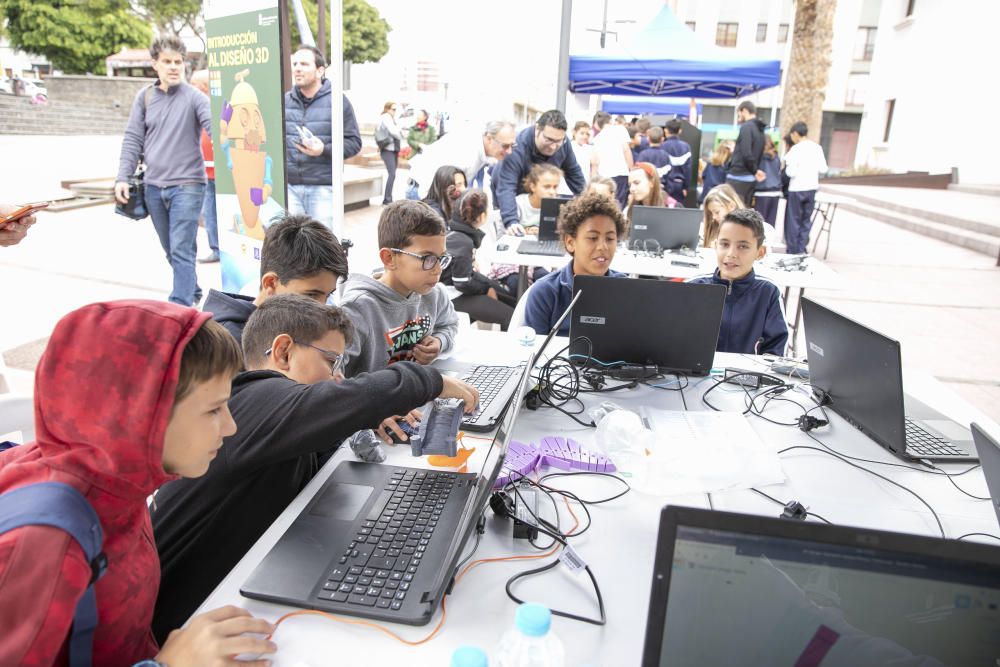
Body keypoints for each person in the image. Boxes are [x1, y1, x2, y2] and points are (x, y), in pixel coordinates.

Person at [150, 294, 478, 641]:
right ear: (283, 352)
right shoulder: (255, 398)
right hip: (173, 631)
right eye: (331, 362)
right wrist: (433, 381)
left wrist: (362, 417)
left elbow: (327, 423)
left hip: (219, 601)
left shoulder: (276, 419)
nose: (338, 379)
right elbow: (345, 398)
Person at [0, 300, 276, 665]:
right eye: (213, 410)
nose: (230, 427)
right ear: (140, 415)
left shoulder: (116, 481)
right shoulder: (45, 546)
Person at [115, 36, 212, 307]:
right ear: (154, 64)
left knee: (181, 248)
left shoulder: (195, 97)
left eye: (178, 62)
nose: (173, 67)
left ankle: (179, 307)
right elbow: (133, 138)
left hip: (189, 185)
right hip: (154, 187)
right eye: (167, 61)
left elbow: (214, 126)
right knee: (171, 249)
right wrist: (122, 177)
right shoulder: (144, 97)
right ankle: (191, 291)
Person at [340, 201, 459, 376]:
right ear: (389, 258)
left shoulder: (434, 293)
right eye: (427, 258)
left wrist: (439, 342)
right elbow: (333, 375)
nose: (438, 269)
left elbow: (449, 324)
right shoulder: (358, 309)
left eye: (441, 258)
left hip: (421, 394)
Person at [203, 213, 349, 344]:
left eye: (328, 295)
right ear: (271, 284)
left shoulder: (290, 325)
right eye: (310, 296)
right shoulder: (228, 348)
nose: (321, 309)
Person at [523, 192, 627, 336]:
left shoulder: (626, 290)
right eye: (592, 238)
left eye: (610, 239)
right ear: (570, 243)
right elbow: (533, 354)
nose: (603, 247)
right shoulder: (545, 292)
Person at [688, 208, 788, 356]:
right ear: (715, 246)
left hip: (747, 376)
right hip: (696, 375)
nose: (731, 254)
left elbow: (775, 351)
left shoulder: (768, 292)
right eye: (724, 244)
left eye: (743, 246)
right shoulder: (694, 286)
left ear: (760, 253)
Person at [284, 45, 363, 231]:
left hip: (323, 188)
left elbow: (354, 142)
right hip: (290, 187)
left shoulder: (338, 101)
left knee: (323, 247)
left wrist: (324, 149)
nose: (297, 68)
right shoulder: (285, 100)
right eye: (295, 63)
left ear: (320, 70)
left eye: (304, 64)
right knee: (292, 249)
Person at [494, 110, 586, 235]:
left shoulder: (564, 144)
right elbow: (506, 187)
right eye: (549, 140)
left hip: (541, 203)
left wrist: (589, 205)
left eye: (558, 141)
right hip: (512, 200)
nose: (553, 146)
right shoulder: (517, 147)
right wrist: (511, 221)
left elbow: (575, 175)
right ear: (537, 129)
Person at [442, 189, 516, 330]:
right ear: (482, 216)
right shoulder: (463, 242)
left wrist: (488, 287)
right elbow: (462, 283)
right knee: (511, 317)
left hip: (455, 286)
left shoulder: (454, 231)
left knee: (509, 299)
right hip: (450, 295)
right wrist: (485, 289)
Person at [406, 120, 516, 200]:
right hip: (425, 193)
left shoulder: (480, 147)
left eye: (512, 145)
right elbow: (432, 183)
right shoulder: (466, 152)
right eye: (505, 146)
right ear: (489, 138)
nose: (509, 151)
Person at [784, 121, 829, 254]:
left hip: (796, 188)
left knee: (793, 220)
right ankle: (801, 248)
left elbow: (790, 172)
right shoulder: (817, 148)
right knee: (805, 220)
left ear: (795, 134)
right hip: (811, 188)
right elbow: (823, 168)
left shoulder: (796, 149)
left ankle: (792, 250)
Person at [190, 69, 220, 263]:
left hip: (221, 171)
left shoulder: (214, 107)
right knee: (209, 213)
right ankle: (216, 247)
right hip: (206, 172)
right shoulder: (193, 108)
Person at [726, 100, 767, 207]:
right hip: (750, 178)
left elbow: (746, 152)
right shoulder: (760, 130)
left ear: (744, 110)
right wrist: (755, 170)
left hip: (738, 176)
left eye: (739, 113)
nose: (738, 117)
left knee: (732, 211)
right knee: (744, 211)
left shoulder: (746, 127)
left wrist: (754, 170)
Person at [591, 111, 633, 209]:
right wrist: (631, 169)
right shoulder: (620, 130)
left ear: (597, 124)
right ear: (610, 120)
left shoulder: (597, 138)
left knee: (606, 204)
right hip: (622, 173)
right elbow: (626, 150)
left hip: (604, 176)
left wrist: (593, 179)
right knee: (620, 203)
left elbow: (595, 162)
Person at [516, 163, 562, 234]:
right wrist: (526, 231)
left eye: (555, 187)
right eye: (547, 187)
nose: (552, 192)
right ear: (533, 187)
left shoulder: (558, 205)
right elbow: (505, 233)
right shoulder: (518, 203)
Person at [625, 162, 675, 229]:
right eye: (630, 185)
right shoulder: (630, 210)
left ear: (652, 182)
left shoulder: (672, 207)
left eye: (636, 183)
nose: (631, 189)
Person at [376, 101, 403, 204]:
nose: (395, 111)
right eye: (393, 109)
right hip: (388, 150)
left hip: (391, 149)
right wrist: (400, 130)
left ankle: (388, 198)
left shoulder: (390, 118)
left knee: (392, 174)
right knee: (392, 174)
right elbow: (394, 132)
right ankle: (387, 200)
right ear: (387, 109)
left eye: (396, 109)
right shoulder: (386, 117)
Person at [661, 119, 693, 206]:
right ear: (680, 131)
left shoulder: (662, 146)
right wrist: (686, 187)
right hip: (680, 185)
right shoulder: (686, 147)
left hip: (665, 186)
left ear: (666, 130)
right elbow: (688, 169)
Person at [701, 184, 744, 248]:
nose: (713, 217)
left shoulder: (751, 230)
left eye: (717, 212)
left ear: (731, 206)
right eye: (711, 213)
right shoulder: (709, 229)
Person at [753, 139, 782, 228]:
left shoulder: (758, 156)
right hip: (775, 192)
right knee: (770, 225)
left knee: (759, 224)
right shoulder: (776, 156)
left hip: (762, 192)